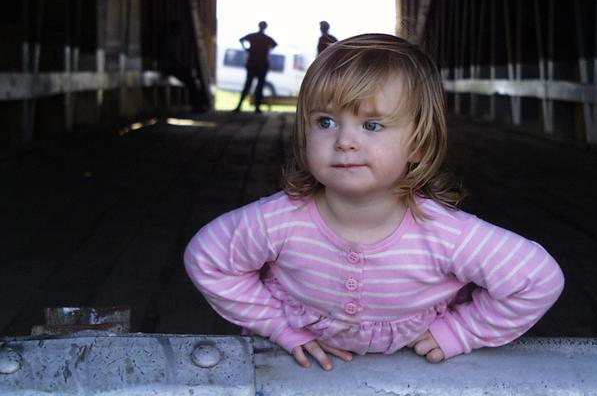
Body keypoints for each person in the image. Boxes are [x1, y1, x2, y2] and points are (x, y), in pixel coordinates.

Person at [185, 33, 564, 371]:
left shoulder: (447, 234)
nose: (344, 140)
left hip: (417, 376)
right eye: (325, 122)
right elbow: (208, 259)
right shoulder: (280, 220)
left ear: (418, 143)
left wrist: (461, 331)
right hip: (300, 372)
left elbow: (537, 281)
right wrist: (278, 327)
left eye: (371, 125)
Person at [234, 21, 277, 113]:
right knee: (258, 87)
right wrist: (268, 50)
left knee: (248, 85)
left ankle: (240, 106)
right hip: (260, 65)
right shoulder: (266, 39)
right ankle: (256, 107)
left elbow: (241, 40)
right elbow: (274, 45)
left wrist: (247, 49)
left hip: (253, 64)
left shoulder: (253, 36)